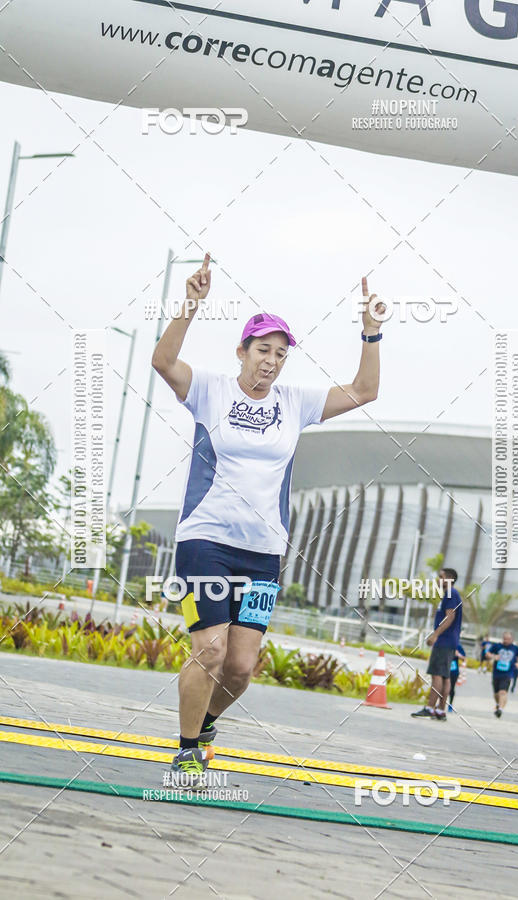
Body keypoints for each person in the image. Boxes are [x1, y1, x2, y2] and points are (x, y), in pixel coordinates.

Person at [152, 253, 385, 777]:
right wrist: (190, 304)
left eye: (280, 354)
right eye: (263, 351)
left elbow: (365, 390)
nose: (271, 362)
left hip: (263, 554)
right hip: (205, 543)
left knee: (239, 668)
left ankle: (205, 721)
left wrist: (370, 334)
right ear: (242, 351)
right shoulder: (210, 389)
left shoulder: (295, 402)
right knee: (209, 651)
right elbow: (163, 362)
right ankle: (188, 752)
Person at [411, 568, 462, 722]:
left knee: (437, 674)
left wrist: (435, 634)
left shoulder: (450, 593)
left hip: (444, 641)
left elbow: (450, 617)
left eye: (441, 577)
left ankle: (429, 708)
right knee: (445, 676)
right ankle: (440, 711)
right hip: (449, 641)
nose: (438, 580)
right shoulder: (449, 594)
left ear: (449, 579)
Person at [486, 631, 518, 718]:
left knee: (503, 692)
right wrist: (493, 657)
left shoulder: (515, 648)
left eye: (508, 639)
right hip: (496, 673)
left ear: (512, 639)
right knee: (496, 694)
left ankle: (500, 710)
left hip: (508, 673)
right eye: (504, 639)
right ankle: (498, 704)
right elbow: (487, 654)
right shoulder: (497, 646)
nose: (506, 640)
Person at [447, 642, 466, 712]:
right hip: (444, 668)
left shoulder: (458, 646)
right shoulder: (445, 642)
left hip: (454, 671)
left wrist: (458, 654)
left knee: (451, 688)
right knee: (443, 687)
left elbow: (464, 658)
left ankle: (450, 704)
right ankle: (440, 703)